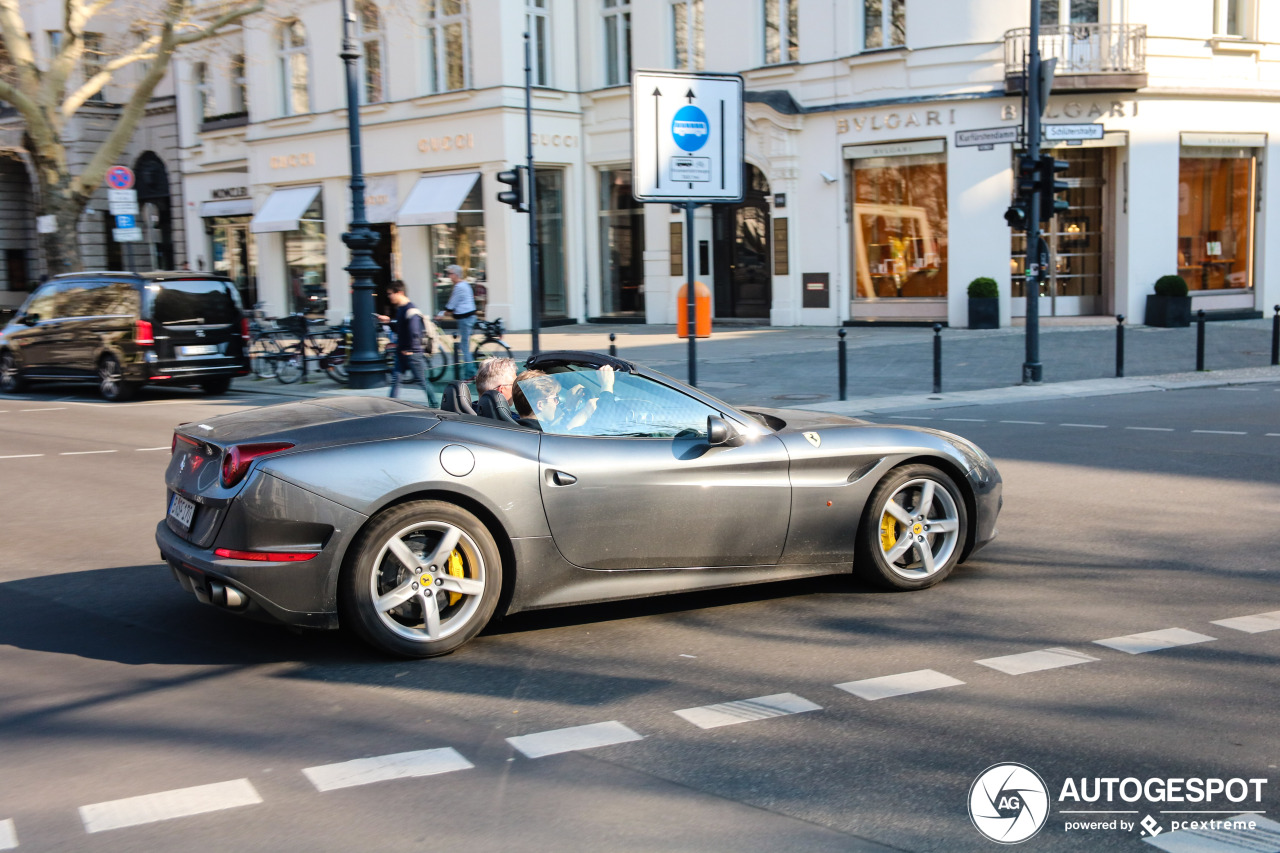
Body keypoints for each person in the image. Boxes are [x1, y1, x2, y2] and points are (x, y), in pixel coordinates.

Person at [380, 280, 438, 406]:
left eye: (391, 294)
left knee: (422, 381)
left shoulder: (411, 310)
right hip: (402, 351)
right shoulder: (401, 309)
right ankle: (390, 405)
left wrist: (411, 350)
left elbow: (415, 332)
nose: (389, 296)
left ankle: (434, 404)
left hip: (412, 354)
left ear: (399, 292)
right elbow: (401, 329)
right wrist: (389, 322)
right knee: (396, 380)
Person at [435, 265, 476, 374]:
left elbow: (451, 305)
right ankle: (470, 368)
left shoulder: (459, 287)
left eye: (450, 274)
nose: (449, 276)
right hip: (469, 317)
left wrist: (441, 314)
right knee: (465, 345)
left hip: (465, 319)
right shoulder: (465, 284)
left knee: (464, 347)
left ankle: (470, 373)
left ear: (456, 275)